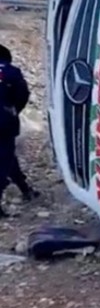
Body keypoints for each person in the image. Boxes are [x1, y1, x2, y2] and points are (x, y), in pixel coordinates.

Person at [0, 44, 34, 217]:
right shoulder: (12, 72)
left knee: (8, 157)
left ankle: (25, 189)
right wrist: (14, 110)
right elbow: (23, 94)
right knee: (4, 160)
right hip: (4, 123)